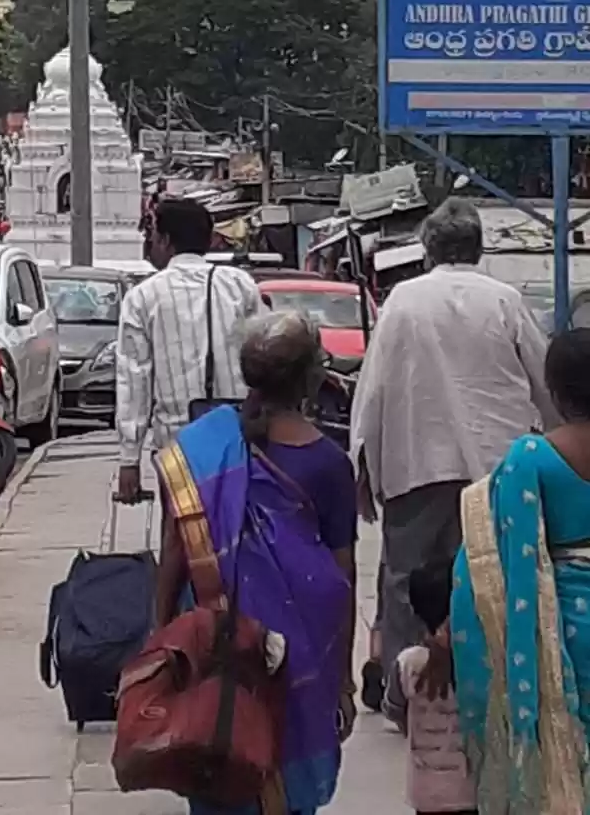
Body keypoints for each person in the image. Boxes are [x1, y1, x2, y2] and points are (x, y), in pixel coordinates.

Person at [350, 196, 556, 697]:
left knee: (404, 586)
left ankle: (406, 696)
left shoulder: (402, 300)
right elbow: (544, 381)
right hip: (495, 467)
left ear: (427, 247)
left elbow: (373, 388)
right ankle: (496, 687)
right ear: (480, 248)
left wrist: (363, 461)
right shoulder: (505, 300)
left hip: (415, 463)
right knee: (496, 578)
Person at [155, 312, 357, 815]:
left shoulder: (199, 449)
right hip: (300, 657)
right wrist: (344, 681)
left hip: (212, 649)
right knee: (287, 788)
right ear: (314, 377)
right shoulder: (329, 464)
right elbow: (339, 581)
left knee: (218, 769)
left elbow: (174, 553)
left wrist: (158, 642)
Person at [449, 324, 590, 812]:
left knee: (569, 755)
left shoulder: (532, 457)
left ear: (552, 390)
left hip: (561, 638)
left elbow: (506, 560)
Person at [116, 198, 263, 504]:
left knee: (182, 534)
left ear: (166, 241)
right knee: (236, 526)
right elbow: (264, 356)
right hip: (236, 437)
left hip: (176, 442)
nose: (151, 243)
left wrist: (130, 459)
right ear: (208, 239)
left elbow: (134, 379)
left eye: (153, 236)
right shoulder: (240, 285)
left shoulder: (142, 297)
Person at [391, 560, 475, 814]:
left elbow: (395, 709)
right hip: (470, 791)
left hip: (426, 793)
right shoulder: (475, 663)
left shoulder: (407, 663)